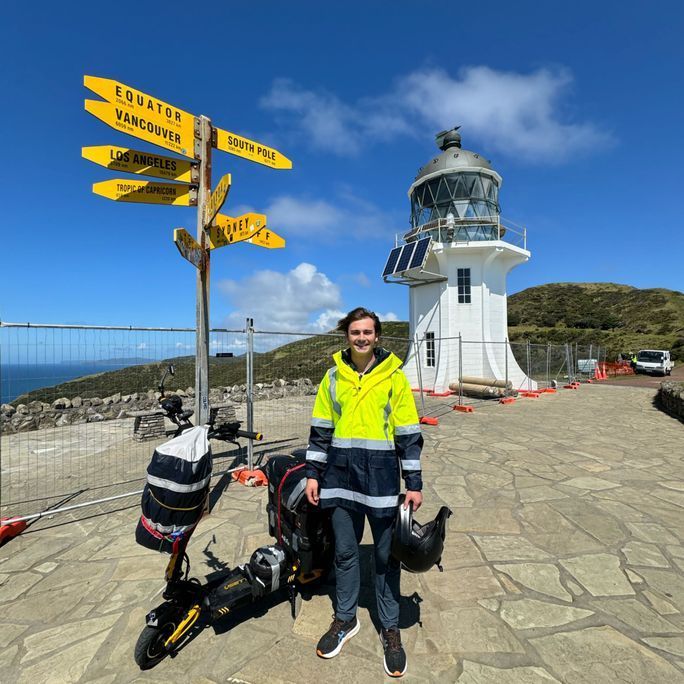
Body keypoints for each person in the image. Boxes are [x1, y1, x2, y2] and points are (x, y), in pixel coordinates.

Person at [304, 307, 423, 678]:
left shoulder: (395, 378)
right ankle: (345, 619)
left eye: (367, 332)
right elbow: (321, 429)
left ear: (377, 336)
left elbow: (407, 432)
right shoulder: (331, 378)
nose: (361, 338)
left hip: (383, 482)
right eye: (355, 332)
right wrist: (313, 474)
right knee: (344, 553)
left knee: (386, 557)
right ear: (346, 336)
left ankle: (390, 628)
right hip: (340, 479)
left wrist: (413, 483)